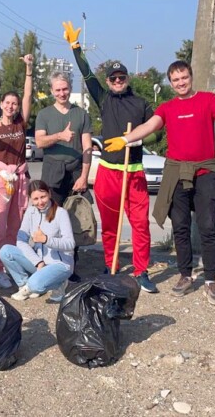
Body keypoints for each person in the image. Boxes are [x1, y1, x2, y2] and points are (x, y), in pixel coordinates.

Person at [105, 60, 215, 306]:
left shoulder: (208, 100)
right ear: (170, 82)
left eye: (184, 78)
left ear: (191, 77)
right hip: (176, 172)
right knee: (180, 227)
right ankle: (185, 275)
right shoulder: (167, 107)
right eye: (175, 80)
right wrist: (126, 139)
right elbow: (149, 126)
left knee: (208, 227)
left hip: (204, 170)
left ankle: (210, 280)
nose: (180, 83)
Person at [63, 20, 158, 293]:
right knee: (111, 224)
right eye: (113, 78)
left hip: (134, 171)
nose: (117, 81)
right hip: (109, 171)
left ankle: (141, 271)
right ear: (109, 82)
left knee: (140, 224)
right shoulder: (103, 99)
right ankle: (111, 263)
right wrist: (76, 47)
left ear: (127, 79)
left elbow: (157, 133)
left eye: (121, 77)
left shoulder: (141, 104)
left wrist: (136, 138)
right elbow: (87, 73)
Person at [0, 54, 34, 289]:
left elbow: (29, 96)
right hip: (1, 179)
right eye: (8, 103)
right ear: (1, 104)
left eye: (15, 103)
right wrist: (1, 173)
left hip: (20, 178)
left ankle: (12, 265)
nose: (11, 106)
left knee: (16, 224)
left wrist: (29, 70)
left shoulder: (20, 123)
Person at [34, 71, 93, 281]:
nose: (62, 93)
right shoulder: (44, 114)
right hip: (52, 171)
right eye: (57, 89)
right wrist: (60, 135)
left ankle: (70, 267)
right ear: (52, 91)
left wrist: (84, 176)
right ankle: (50, 264)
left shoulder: (81, 114)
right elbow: (39, 142)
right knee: (51, 219)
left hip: (76, 171)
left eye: (65, 88)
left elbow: (87, 147)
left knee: (74, 219)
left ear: (70, 88)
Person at [0, 180, 75, 302]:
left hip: (59, 264)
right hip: (40, 264)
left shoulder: (61, 213)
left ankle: (59, 283)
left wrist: (46, 240)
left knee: (36, 285)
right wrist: (38, 262)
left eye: (43, 197)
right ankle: (25, 286)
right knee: (5, 250)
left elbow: (70, 244)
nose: (40, 202)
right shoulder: (30, 212)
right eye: (35, 199)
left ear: (49, 194)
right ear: (30, 199)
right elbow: (21, 240)